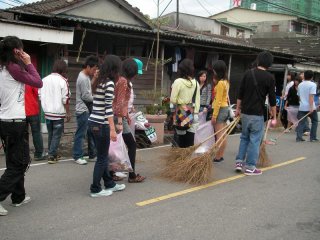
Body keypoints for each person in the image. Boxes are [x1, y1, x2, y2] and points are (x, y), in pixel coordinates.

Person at [0, 36, 42, 216]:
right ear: (17, 51)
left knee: (13, 160)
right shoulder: (13, 68)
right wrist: (29, 62)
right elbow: (38, 82)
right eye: (21, 49)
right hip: (15, 122)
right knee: (20, 163)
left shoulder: (3, 68)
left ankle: (18, 196)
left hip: (6, 120)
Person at [88, 55, 125, 197]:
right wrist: (112, 129)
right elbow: (108, 108)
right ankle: (95, 189)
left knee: (102, 156)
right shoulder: (109, 83)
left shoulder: (98, 81)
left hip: (92, 122)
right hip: (101, 124)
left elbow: (95, 100)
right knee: (102, 158)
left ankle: (109, 183)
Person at [235, 51, 277, 176]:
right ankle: (250, 167)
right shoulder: (270, 77)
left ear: (258, 60)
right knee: (254, 139)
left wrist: (238, 109)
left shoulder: (248, 73)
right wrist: (274, 116)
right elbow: (272, 99)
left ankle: (239, 162)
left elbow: (240, 93)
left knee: (244, 137)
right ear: (269, 63)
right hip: (258, 114)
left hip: (245, 113)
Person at [112, 58, 145, 183]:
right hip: (117, 117)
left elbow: (122, 102)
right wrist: (121, 121)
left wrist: (125, 116)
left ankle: (112, 172)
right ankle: (132, 175)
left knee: (115, 145)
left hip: (118, 116)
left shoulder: (119, 79)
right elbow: (119, 103)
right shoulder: (123, 81)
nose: (137, 74)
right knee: (131, 144)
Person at [39, 60, 71, 164]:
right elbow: (65, 99)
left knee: (51, 135)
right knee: (56, 136)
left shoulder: (44, 80)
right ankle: (52, 155)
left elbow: (40, 96)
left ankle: (53, 153)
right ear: (63, 69)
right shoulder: (63, 81)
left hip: (47, 113)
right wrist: (68, 112)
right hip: (58, 113)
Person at [72, 56, 98, 165]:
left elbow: (88, 89)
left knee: (90, 132)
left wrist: (94, 78)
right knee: (81, 133)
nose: (94, 71)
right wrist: (98, 97)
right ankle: (77, 155)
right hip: (83, 109)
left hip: (85, 109)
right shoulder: (83, 78)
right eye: (93, 69)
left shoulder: (85, 76)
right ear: (88, 66)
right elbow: (86, 96)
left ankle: (92, 154)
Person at [170, 59, 200, 148]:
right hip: (193, 112)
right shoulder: (196, 83)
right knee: (190, 141)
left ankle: (180, 160)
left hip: (182, 113)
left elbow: (173, 100)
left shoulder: (178, 82)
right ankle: (187, 160)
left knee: (179, 140)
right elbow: (197, 99)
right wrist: (196, 113)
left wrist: (172, 114)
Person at [211, 60, 230, 163]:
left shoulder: (220, 83)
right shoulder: (226, 81)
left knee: (219, 135)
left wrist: (214, 116)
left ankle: (217, 156)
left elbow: (218, 101)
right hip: (225, 108)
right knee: (223, 134)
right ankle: (220, 155)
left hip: (220, 109)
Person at [296, 70, 318, 142]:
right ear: (312, 77)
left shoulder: (300, 85)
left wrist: (301, 102)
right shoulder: (313, 85)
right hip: (310, 107)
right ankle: (313, 137)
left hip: (302, 106)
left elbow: (299, 97)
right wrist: (311, 107)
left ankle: (299, 138)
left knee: (301, 122)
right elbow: (311, 97)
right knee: (315, 121)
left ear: (304, 75)